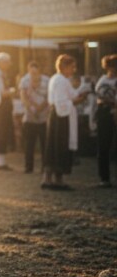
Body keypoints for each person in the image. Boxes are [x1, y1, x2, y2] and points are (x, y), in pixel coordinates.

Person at [43, 54, 88, 190]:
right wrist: (77, 100)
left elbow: (71, 94)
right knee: (59, 146)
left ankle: (49, 178)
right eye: (72, 67)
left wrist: (80, 91)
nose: (73, 70)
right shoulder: (60, 80)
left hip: (58, 115)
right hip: (60, 117)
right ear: (64, 67)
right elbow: (61, 101)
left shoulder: (59, 79)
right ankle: (56, 179)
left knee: (53, 146)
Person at [19, 61, 49, 173]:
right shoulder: (24, 81)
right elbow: (23, 97)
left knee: (44, 143)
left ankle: (45, 166)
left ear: (39, 71)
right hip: (29, 117)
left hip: (44, 116)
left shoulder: (47, 80)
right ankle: (28, 167)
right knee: (29, 144)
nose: (33, 75)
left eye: (35, 73)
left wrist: (41, 107)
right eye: (31, 72)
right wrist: (32, 108)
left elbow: (49, 96)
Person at [94, 54, 117, 187]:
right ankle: (104, 177)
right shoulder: (102, 79)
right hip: (103, 112)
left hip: (113, 111)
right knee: (103, 146)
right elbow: (98, 96)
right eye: (110, 67)